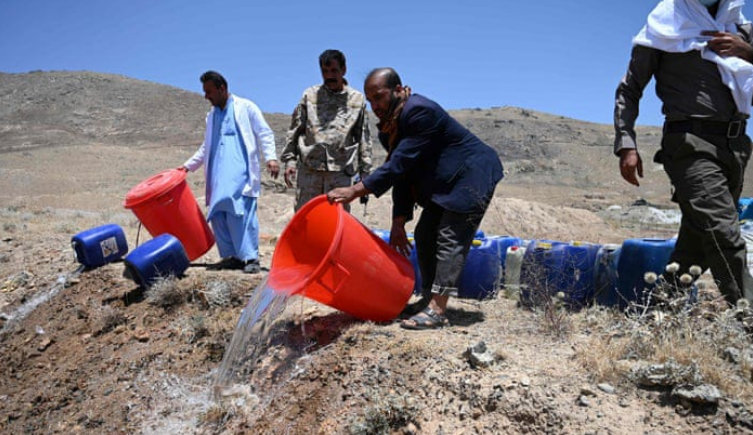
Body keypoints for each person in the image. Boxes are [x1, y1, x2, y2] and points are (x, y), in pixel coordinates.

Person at [326, 68, 504, 329]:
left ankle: (437, 310)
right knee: (424, 234)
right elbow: (404, 175)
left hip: (472, 175)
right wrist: (399, 221)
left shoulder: (420, 112)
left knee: (450, 236)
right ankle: (429, 300)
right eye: (370, 100)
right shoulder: (389, 129)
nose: (375, 105)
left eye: (380, 96)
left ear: (399, 90)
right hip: (446, 183)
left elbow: (399, 164)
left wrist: (356, 190)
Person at [615, 0, 753, 306]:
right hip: (690, 145)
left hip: (736, 148)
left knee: (696, 246)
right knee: (722, 232)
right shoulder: (665, 25)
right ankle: (750, 318)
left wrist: (749, 53)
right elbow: (630, 88)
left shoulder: (741, 29)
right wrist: (626, 142)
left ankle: (659, 314)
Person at [182, 71, 280, 274]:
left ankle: (250, 257)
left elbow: (264, 132)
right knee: (219, 214)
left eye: (209, 91)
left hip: (241, 176)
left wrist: (271, 157)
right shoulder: (211, 116)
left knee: (241, 214)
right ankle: (232, 256)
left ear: (222, 88)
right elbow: (205, 146)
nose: (206, 96)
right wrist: (187, 166)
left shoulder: (246, 107)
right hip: (217, 176)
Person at [281, 49, 373, 212]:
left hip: (339, 173)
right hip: (310, 171)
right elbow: (296, 129)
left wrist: (365, 173)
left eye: (334, 71)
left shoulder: (356, 100)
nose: (329, 76)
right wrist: (290, 160)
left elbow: (363, 138)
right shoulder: (310, 96)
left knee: (336, 219)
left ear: (344, 70)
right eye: (325, 71)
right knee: (306, 218)